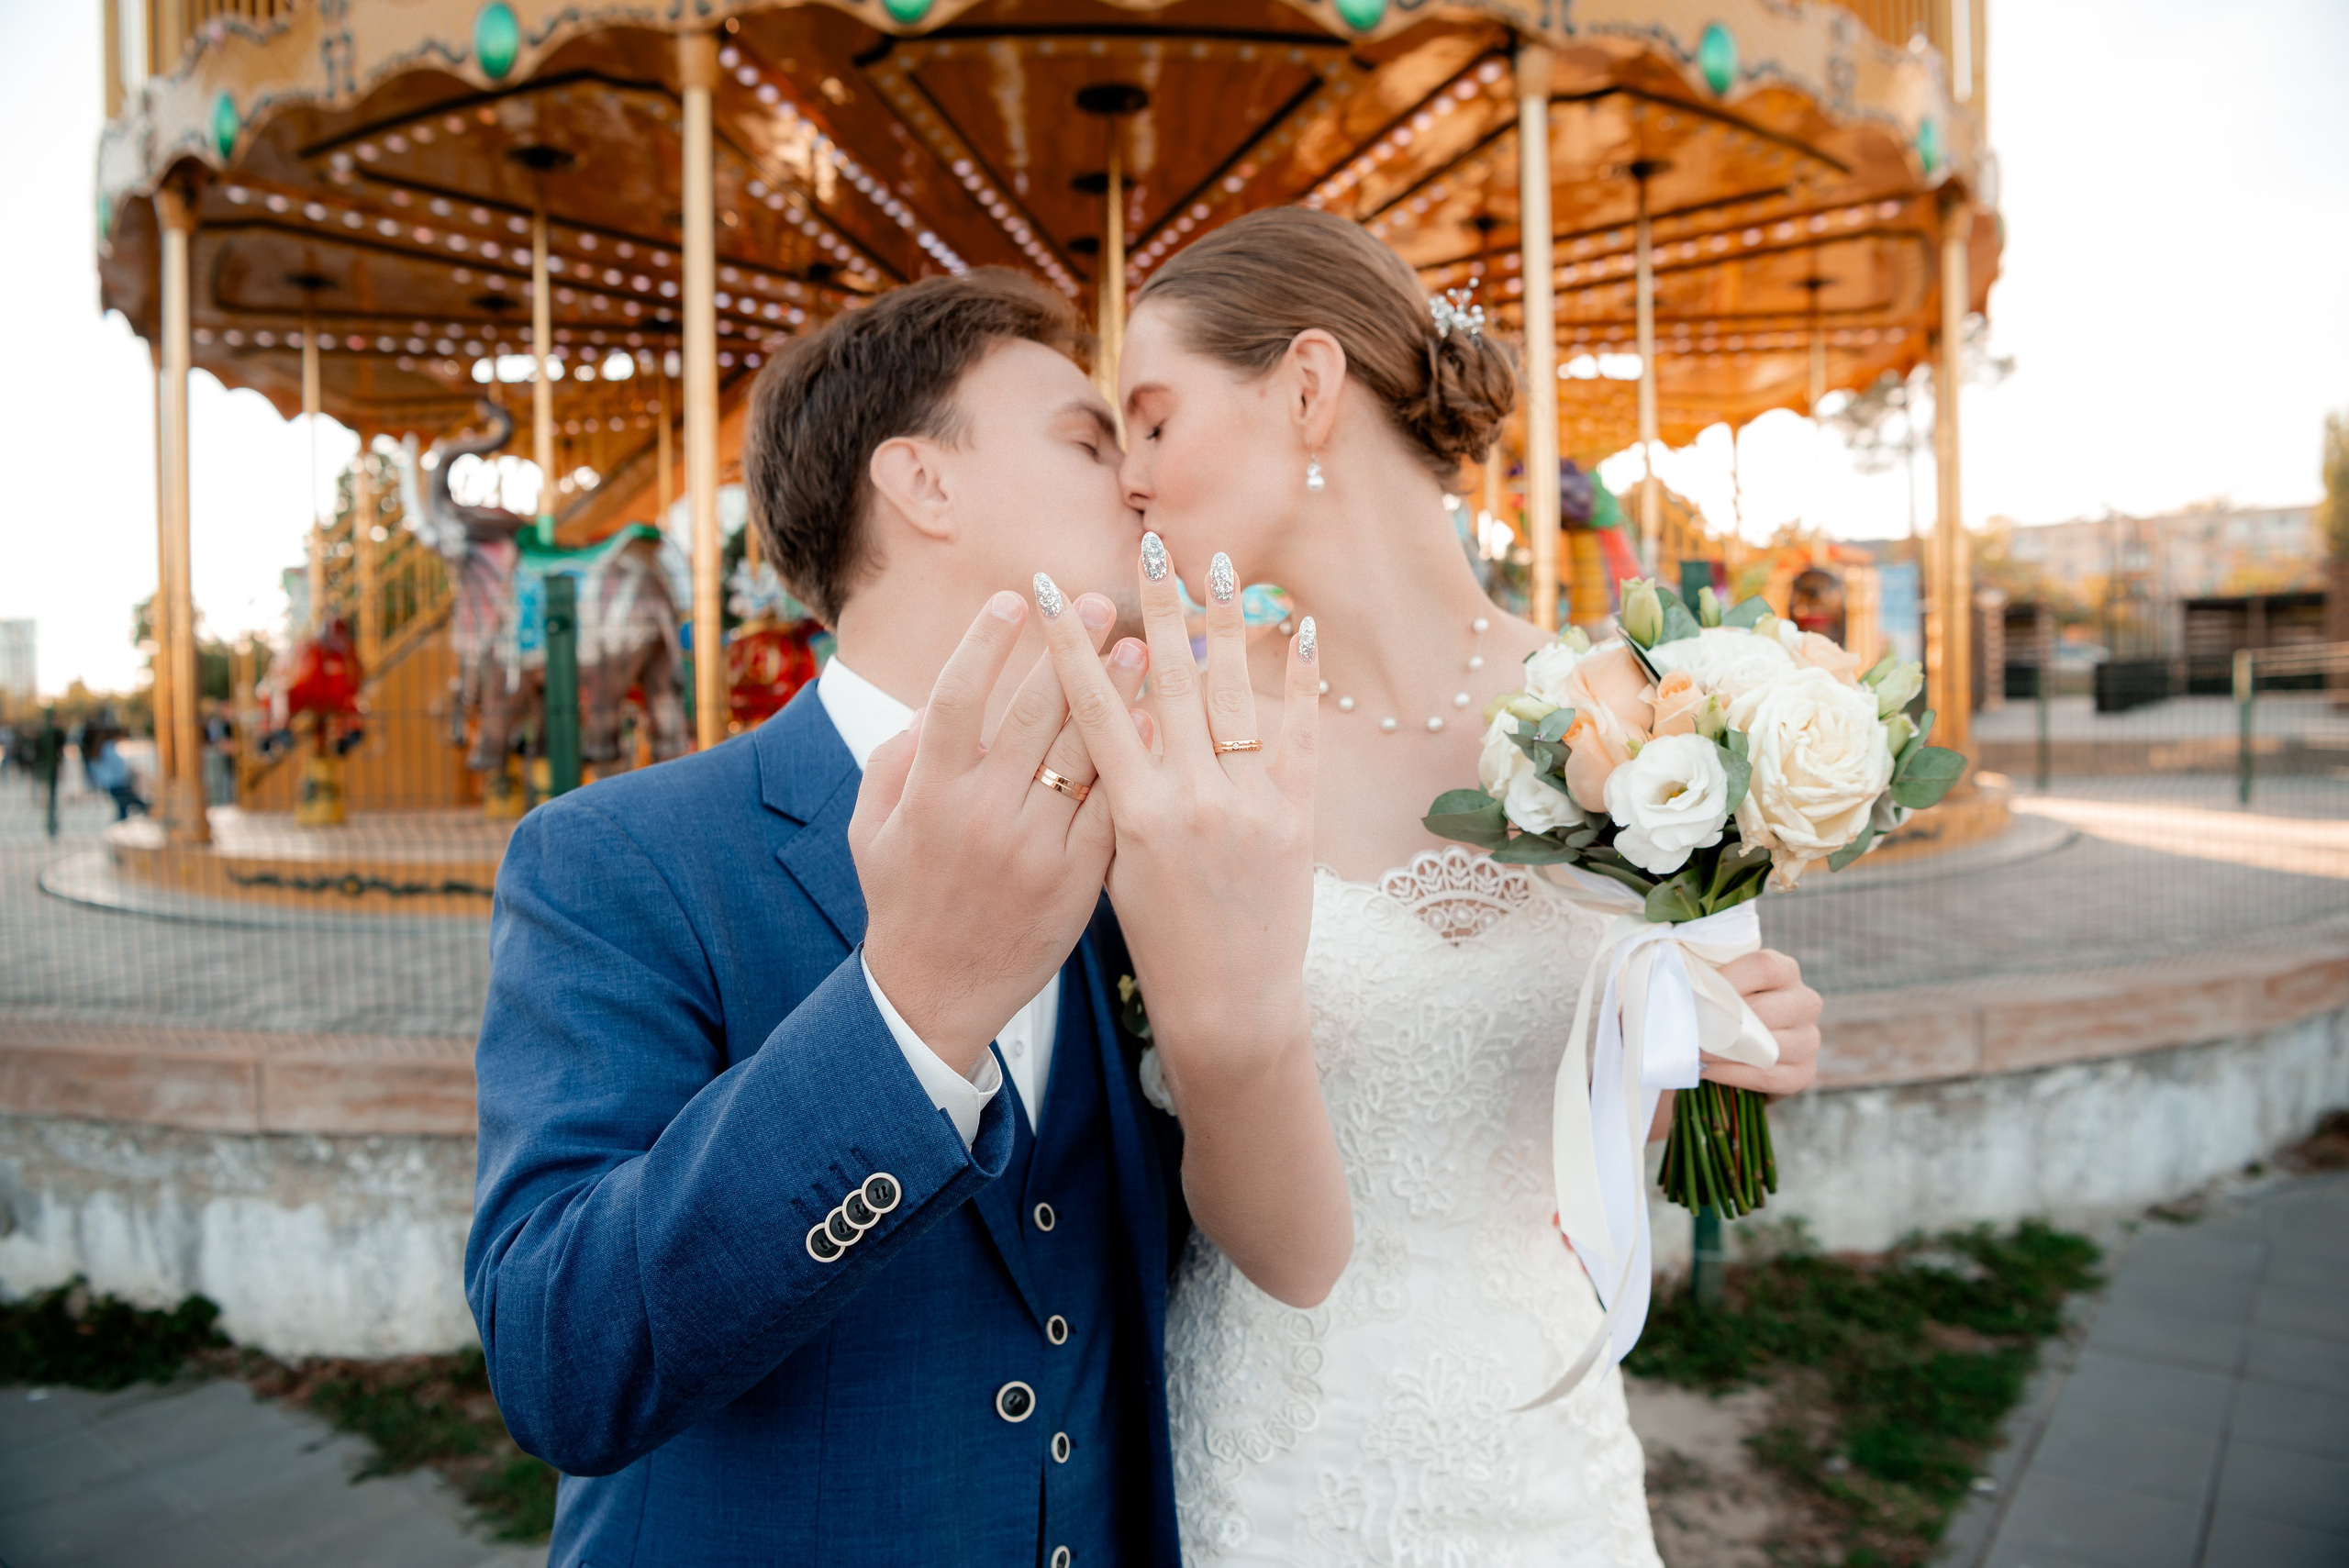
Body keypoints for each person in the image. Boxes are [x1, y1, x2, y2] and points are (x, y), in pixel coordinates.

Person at [465, 269, 1350, 1568]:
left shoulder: (1151, 850)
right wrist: (910, 1013)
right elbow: (562, 1362)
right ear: (923, 484)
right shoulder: (618, 858)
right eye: (1091, 440)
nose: (1141, 478)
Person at [1089, 207, 1824, 1563]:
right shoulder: (1171, 727)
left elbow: (1639, 1149)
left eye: (1151, 419)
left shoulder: (1643, 721)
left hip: (1550, 1462)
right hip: (1275, 1464)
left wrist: (1726, 1042)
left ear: (1308, 388)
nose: (1125, 477)